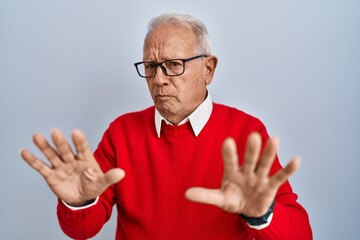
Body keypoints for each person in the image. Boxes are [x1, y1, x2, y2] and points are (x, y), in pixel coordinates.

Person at [21, 13, 312, 239]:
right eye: (150, 66)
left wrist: (263, 215)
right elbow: (82, 231)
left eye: (174, 64)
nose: (159, 79)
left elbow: (301, 234)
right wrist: (80, 202)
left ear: (208, 69)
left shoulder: (246, 131)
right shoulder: (121, 133)